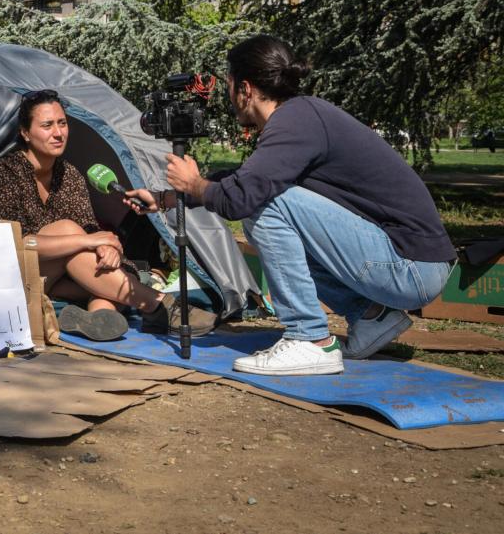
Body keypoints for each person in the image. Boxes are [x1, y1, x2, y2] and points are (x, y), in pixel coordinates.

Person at [126, 35, 455, 376]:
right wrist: (167, 198)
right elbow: (245, 179)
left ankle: (309, 339)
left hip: (411, 266)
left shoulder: (296, 122)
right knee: (267, 200)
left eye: (229, 85)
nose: (228, 97)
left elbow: (242, 197)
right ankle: (372, 316)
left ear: (245, 89)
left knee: (265, 207)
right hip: (412, 262)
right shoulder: (299, 117)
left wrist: (194, 184)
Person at [0, 89, 217, 342]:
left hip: (60, 280)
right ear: (25, 133)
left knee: (108, 278)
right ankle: (157, 304)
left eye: (62, 123)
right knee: (68, 231)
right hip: (20, 276)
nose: (58, 133)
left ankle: (99, 316)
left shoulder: (69, 175)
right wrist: (88, 241)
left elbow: (89, 227)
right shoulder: (4, 174)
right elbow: (18, 242)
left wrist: (106, 247)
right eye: (47, 125)